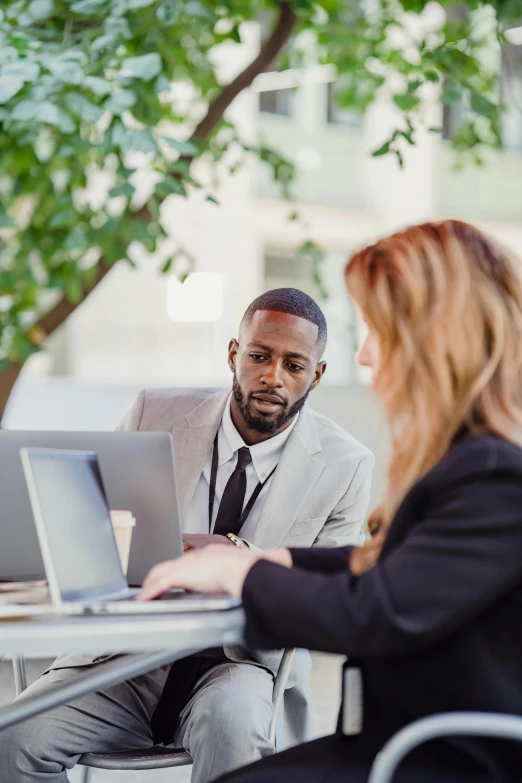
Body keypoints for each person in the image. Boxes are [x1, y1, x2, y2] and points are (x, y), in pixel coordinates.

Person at [138, 221, 522, 783]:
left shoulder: (492, 476)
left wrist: (241, 575)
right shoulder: (469, 461)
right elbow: (384, 570)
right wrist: (262, 560)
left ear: (432, 340)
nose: (365, 356)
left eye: (375, 331)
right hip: (396, 740)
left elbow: (376, 610)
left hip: (439, 757)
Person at [1, 288, 373, 783]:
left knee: (233, 726)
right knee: (14, 739)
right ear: (233, 353)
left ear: (318, 374)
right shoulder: (152, 413)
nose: (272, 377)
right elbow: (89, 528)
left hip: (242, 666)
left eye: (294, 365)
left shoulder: (347, 466)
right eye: (259, 356)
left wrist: (237, 556)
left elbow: (326, 603)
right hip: (127, 658)